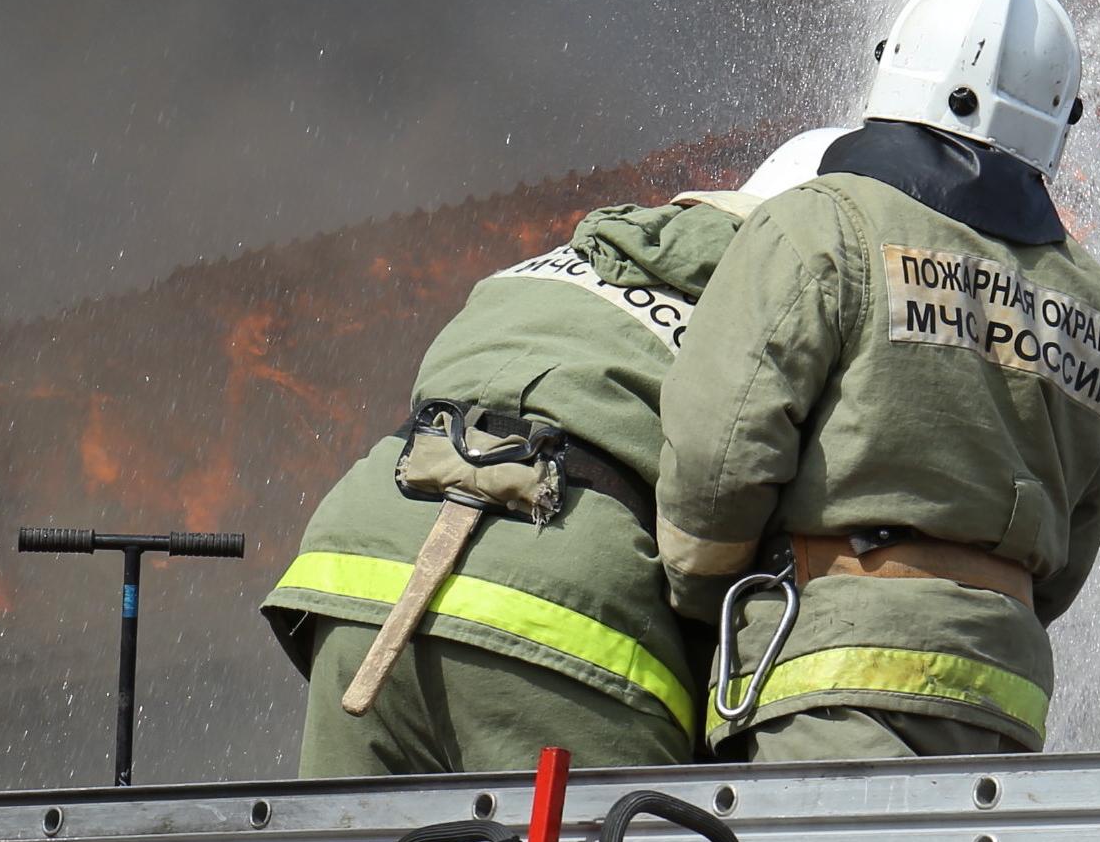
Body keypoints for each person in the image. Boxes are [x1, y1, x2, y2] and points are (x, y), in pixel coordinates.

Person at [656, 0, 1100, 761]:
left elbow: (718, 458)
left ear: (896, 66)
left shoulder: (819, 225)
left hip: (828, 682)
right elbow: (1070, 552)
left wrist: (708, 604)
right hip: (1002, 704)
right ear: (1059, 117)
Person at [260, 127, 849, 775]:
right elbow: (739, 511)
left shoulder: (557, 262)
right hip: (559, 613)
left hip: (358, 575)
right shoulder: (792, 301)